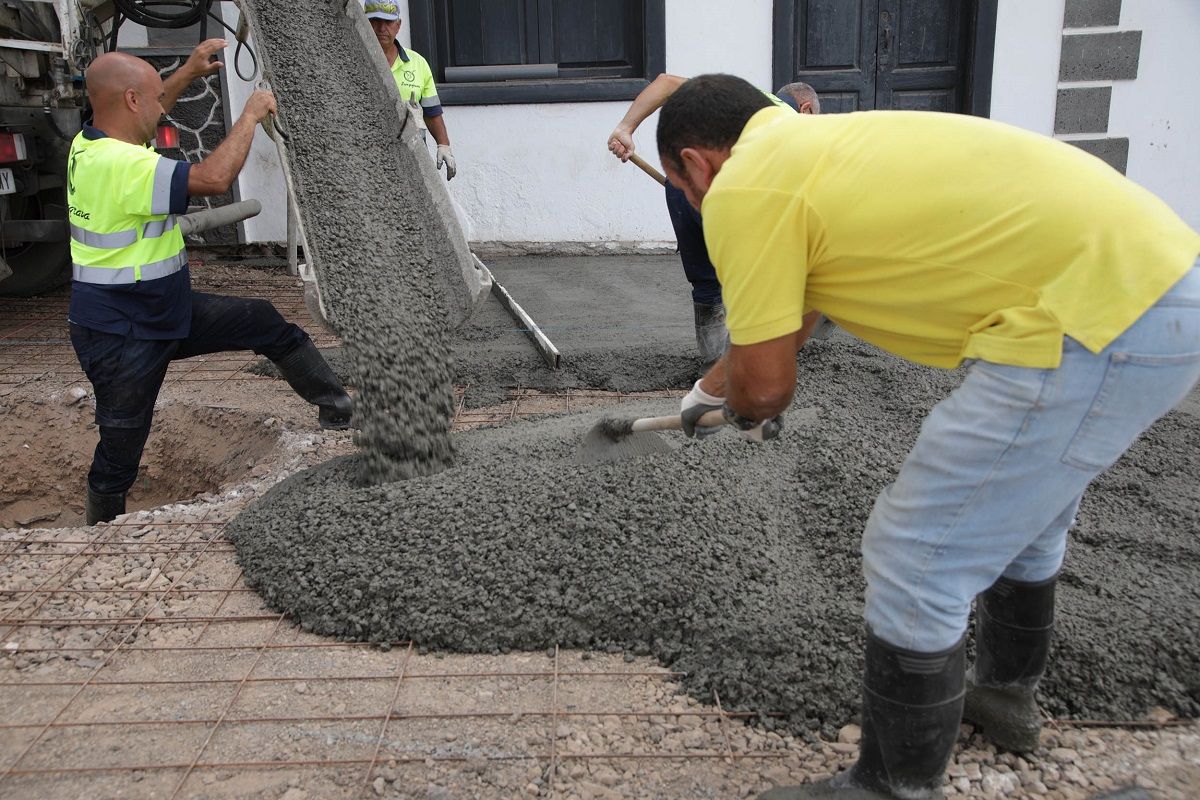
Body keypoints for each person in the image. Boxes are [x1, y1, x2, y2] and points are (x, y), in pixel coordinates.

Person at [656, 74, 1200, 800]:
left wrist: (748, 408)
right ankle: (1003, 697)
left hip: (1091, 322)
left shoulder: (745, 190)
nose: (697, 207)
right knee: (1023, 519)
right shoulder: (815, 152)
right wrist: (708, 393)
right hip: (1158, 282)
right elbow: (793, 313)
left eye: (685, 192)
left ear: (697, 164)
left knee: (915, 552)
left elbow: (769, 385)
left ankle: (891, 785)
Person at [69, 43, 353, 526]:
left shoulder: (91, 142)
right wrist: (250, 113)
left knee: (263, 321)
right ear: (133, 101)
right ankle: (103, 531)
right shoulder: (123, 166)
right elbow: (216, 178)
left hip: (164, 309)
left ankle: (338, 408)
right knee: (122, 445)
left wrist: (185, 72)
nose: (163, 108)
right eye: (155, 98)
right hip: (121, 335)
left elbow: (144, 104)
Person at [607, 74, 819, 367]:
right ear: (806, 108)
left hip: (681, 190)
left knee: (708, 287)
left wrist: (625, 128)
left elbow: (666, 82)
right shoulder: (795, 124)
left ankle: (712, 368)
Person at [364, 0, 456, 181]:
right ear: (364, 23)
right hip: (368, 156)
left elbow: (432, 112)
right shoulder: (353, 61)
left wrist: (443, 145)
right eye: (375, 21)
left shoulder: (417, 64)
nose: (382, 28)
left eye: (388, 22)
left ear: (398, 26)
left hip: (412, 156)